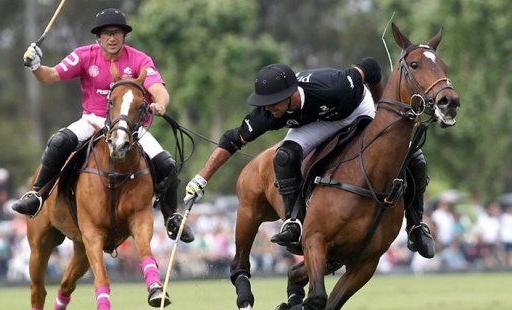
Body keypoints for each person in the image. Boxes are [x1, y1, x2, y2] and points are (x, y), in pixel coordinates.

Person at [184, 60, 436, 258]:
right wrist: (201, 179)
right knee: (284, 155)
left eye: (272, 102)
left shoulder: (335, 85)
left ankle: (416, 226)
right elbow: (232, 139)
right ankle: (294, 222)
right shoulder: (268, 114)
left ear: (291, 94)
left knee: (413, 155)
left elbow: (370, 66)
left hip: (355, 108)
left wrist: (382, 107)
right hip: (316, 121)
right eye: (264, 102)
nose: (267, 107)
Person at [12, 8, 194, 243]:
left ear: (124, 36)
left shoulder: (139, 59)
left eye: (116, 33)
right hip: (93, 121)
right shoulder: (84, 56)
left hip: (130, 128)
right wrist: (36, 66)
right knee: (59, 142)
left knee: (166, 163)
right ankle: (37, 195)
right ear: (98, 37)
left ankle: (171, 216)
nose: (111, 38)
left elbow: (158, 88)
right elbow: (50, 76)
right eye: (106, 33)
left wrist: (160, 103)